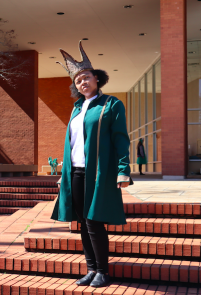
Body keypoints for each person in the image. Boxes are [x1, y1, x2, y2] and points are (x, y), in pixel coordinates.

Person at [51, 41, 131, 288]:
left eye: (86, 77)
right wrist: (64, 173)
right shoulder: (76, 108)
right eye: (78, 80)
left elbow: (120, 139)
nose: (82, 82)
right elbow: (72, 144)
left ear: (96, 78)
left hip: (98, 173)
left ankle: (103, 271)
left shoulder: (111, 104)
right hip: (75, 172)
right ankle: (91, 269)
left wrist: (122, 170)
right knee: (82, 222)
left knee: (94, 221)